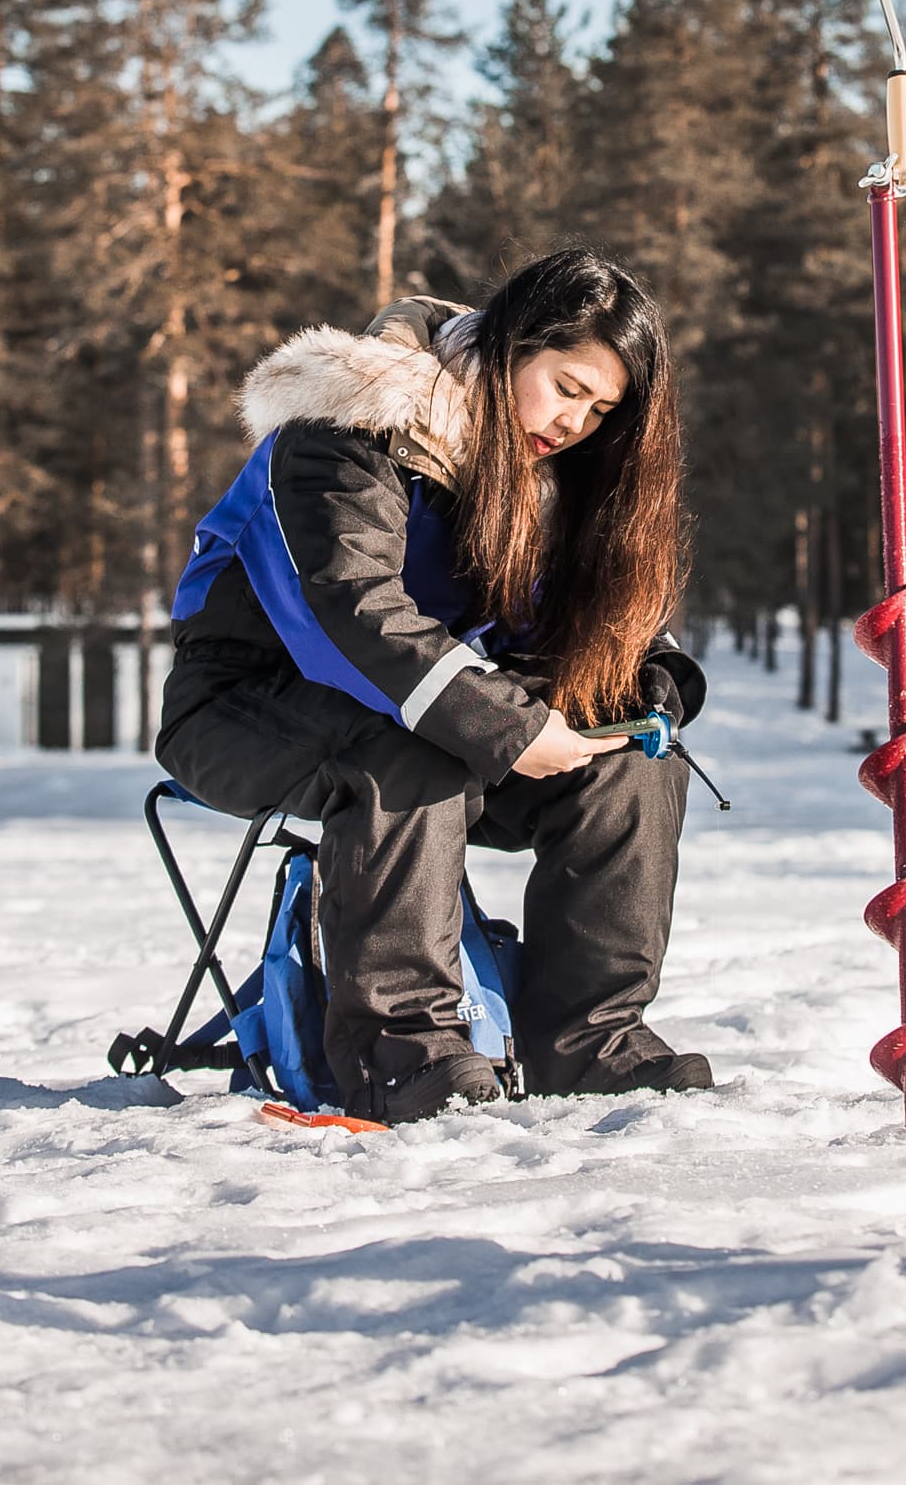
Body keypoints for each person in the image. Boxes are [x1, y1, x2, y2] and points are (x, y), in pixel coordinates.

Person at [157, 248, 711, 1122]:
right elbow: (349, 613)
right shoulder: (341, 429)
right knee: (407, 753)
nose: (576, 424)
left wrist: (643, 695)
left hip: (443, 707)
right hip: (243, 704)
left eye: (601, 409)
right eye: (567, 387)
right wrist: (512, 728)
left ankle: (589, 1040)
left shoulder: (532, 471)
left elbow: (592, 626)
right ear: (510, 346)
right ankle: (401, 1052)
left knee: (637, 771)